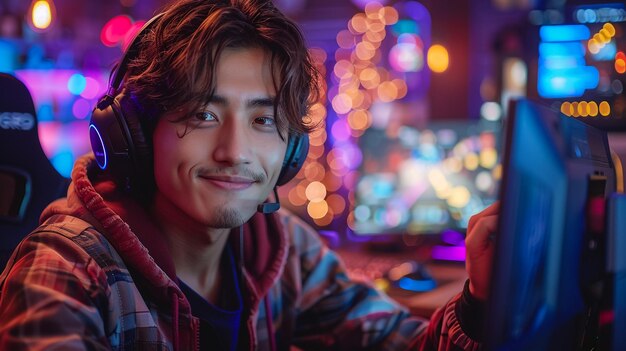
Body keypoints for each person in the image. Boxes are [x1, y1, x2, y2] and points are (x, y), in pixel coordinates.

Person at [0, 0, 499, 350]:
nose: (235, 151)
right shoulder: (65, 273)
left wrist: (478, 297)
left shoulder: (282, 249)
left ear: (292, 150)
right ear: (135, 132)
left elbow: (408, 345)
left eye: (264, 121)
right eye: (202, 115)